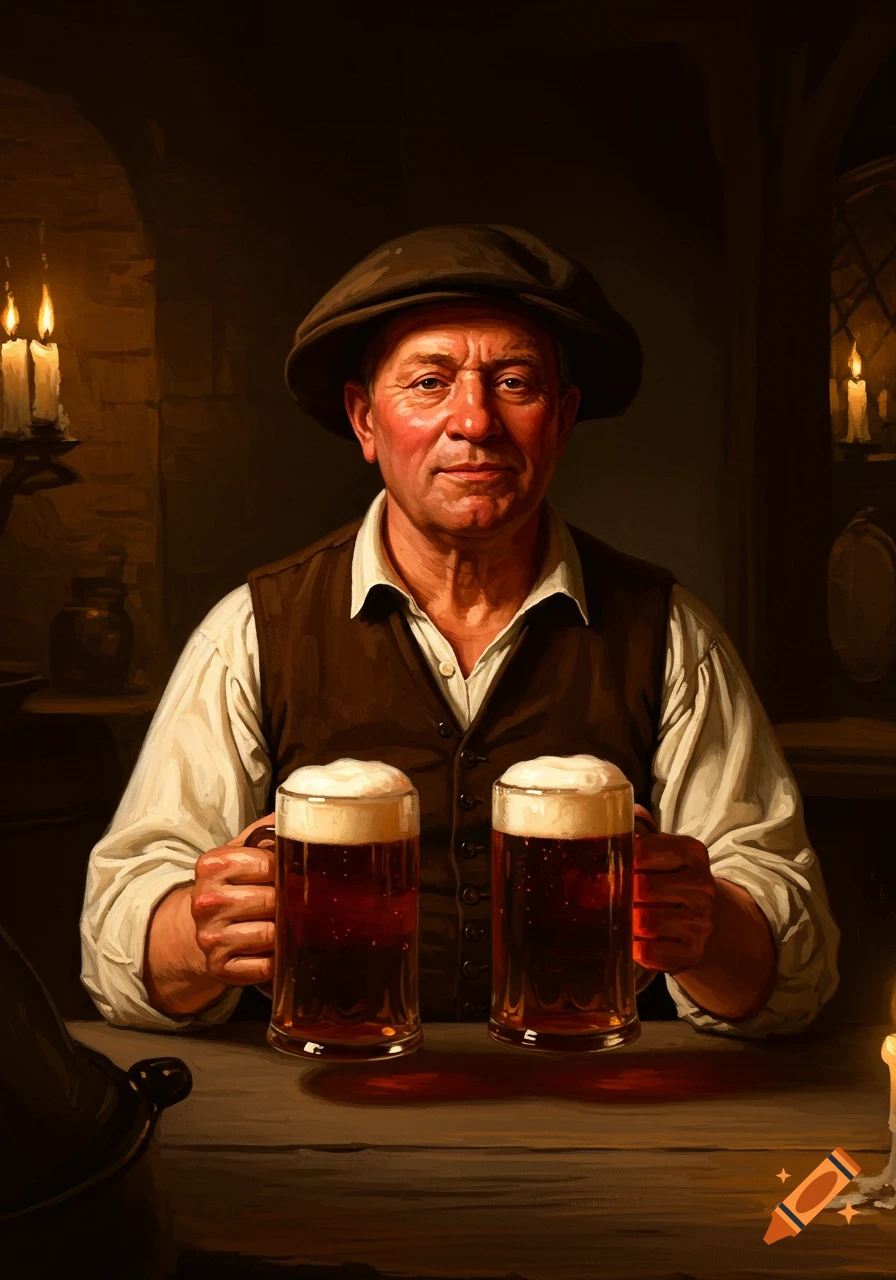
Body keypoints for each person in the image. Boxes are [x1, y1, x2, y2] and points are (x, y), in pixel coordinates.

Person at [81, 224, 839, 1036]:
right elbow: (115, 956)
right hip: (318, 1104)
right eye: (429, 383)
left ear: (564, 419)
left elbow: (795, 984)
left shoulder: (671, 633)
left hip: (611, 1107)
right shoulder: (253, 630)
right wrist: (199, 935)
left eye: (514, 382)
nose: (474, 421)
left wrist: (710, 928)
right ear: (364, 421)